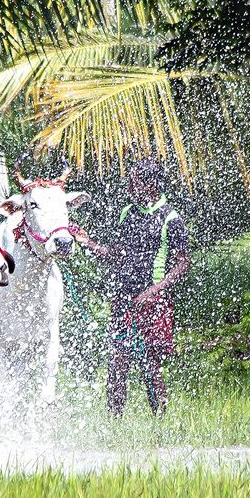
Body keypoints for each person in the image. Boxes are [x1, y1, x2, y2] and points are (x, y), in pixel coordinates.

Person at [74, 158, 191, 416]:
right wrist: (88, 243)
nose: (129, 185)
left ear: (150, 184)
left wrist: (156, 289)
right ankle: (114, 419)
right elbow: (118, 254)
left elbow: (183, 263)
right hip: (124, 299)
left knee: (152, 364)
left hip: (153, 301)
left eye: (134, 181)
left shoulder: (170, 218)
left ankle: (160, 419)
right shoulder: (128, 212)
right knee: (118, 361)